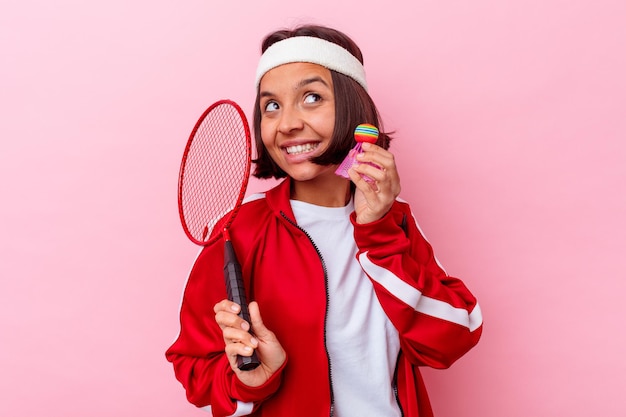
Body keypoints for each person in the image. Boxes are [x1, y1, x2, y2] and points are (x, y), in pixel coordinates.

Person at [166, 24, 483, 417]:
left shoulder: (394, 220)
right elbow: (194, 366)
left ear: (354, 109)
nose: (286, 124)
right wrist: (253, 378)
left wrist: (378, 233)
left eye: (311, 98)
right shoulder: (238, 230)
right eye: (271, 106)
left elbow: (452, 338)